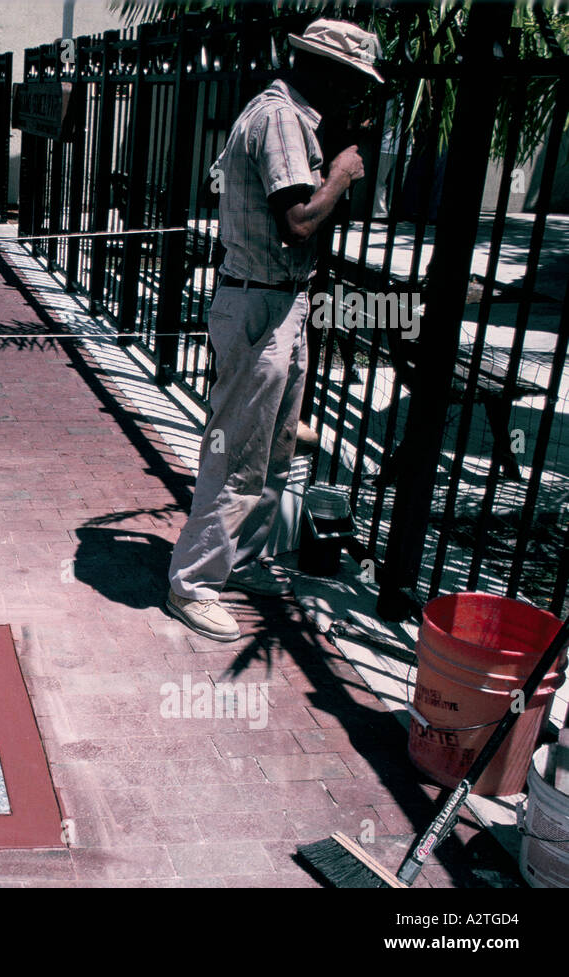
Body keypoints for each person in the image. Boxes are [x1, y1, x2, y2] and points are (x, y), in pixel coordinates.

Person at [164, 19, 383, 641]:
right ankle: (193, 584)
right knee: (236, 454)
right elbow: (298, 222)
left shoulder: (286, 114)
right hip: (260, 303)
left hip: (279, 301)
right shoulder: (283, 118)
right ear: (322, 68)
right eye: (349, 81)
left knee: (275, 450)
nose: (352, 94)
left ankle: (237, 561)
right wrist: (340, 172)